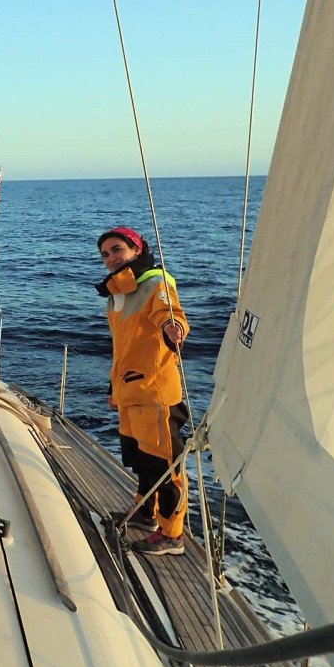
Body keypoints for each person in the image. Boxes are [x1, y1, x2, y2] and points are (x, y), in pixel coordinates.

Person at [96, 227, 191, 556]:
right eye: (106, 253)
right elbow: (122, 349)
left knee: (165, 466)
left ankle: (172, 535)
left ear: (137, 249)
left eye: (117, 250)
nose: (110, 258)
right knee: (142, 462)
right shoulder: (118, 295)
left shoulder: (156, 282)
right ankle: (145, 515)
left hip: (154, 394)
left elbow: (170, 315)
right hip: (129, 392)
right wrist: (114, 387)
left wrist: (173, 329)